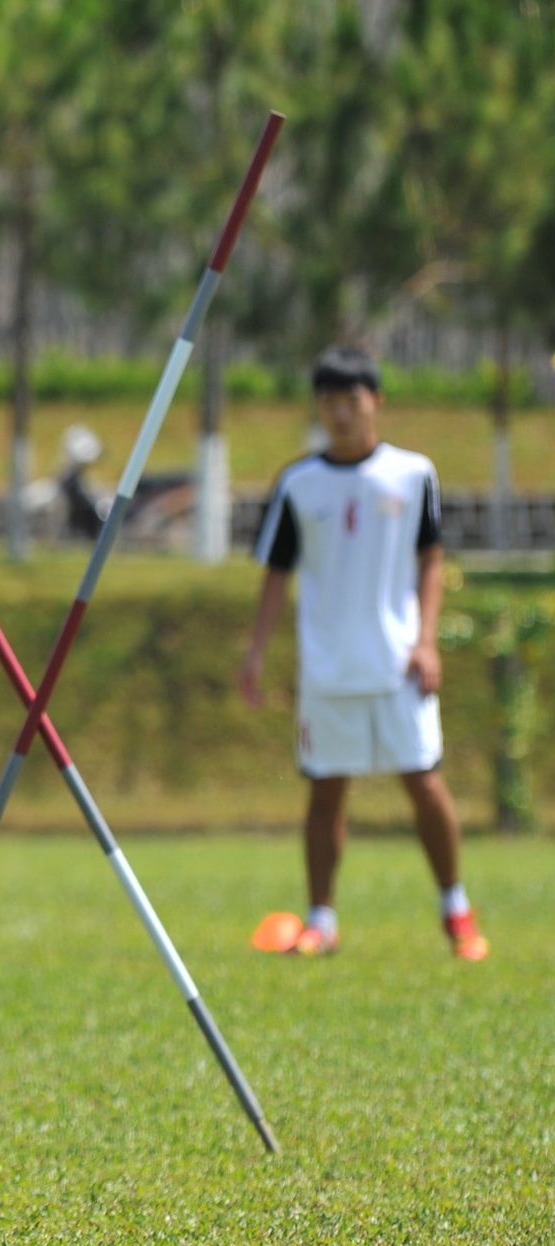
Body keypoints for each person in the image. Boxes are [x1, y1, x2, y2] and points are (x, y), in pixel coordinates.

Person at [240, 344, 487, 961]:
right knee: (326, 791)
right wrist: (256, 652)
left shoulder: (413, 473)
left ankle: (456, 910)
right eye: (329, 402)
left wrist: (427, 639)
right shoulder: (299, 483)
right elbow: (276, 571)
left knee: (424, 782)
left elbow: (432, 558)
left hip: (398, 663)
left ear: (375, 402)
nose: (341, 413)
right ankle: (321, 919)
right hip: (327, 669)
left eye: (352, 400)